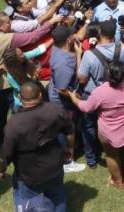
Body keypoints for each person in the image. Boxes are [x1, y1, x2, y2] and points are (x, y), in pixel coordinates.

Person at [67, 46, 124, 191]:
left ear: (108, 76)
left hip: (109, 132)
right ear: (123, 75)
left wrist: (73, 98)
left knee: (111, 155)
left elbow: (86, 107)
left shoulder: (99, 92)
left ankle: (117, 182)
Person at [0, 11, 60, 144]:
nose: (11, 23)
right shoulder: (9, 38)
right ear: (0, 27)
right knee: (18, 112)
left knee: (2, 108)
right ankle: (18, 136)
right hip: (7, 83)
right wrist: (51, 23)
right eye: (7, 22)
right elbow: (33, 37)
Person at [0, 81, 75, 211]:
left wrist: (1, 170)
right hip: (55, 167)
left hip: (29, 176)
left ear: (20, 98)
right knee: (58, 199)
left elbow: (6, 153)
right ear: (40, 94)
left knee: (26, 202)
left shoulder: (14, 124)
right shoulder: (55, 109)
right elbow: (70, 131)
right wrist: (70, 150)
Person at [76, 19, 124, 168]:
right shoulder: (123, 50)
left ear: (99, 32)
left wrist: (79, 55)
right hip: (116, 93)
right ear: (115, 34)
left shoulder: (89, 55)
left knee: (89, 126)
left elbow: (81, 79)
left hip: (94, 94)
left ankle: (92, 159)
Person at [47, 24, 87, 173]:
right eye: (73, 34)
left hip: (63, 98)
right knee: (67, 131)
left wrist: (77, 55)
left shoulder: (59, 49)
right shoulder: (63, 63)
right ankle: (67, 161)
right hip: (62, 103)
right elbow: (62, 88)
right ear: (69, 40)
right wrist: (76, 99)